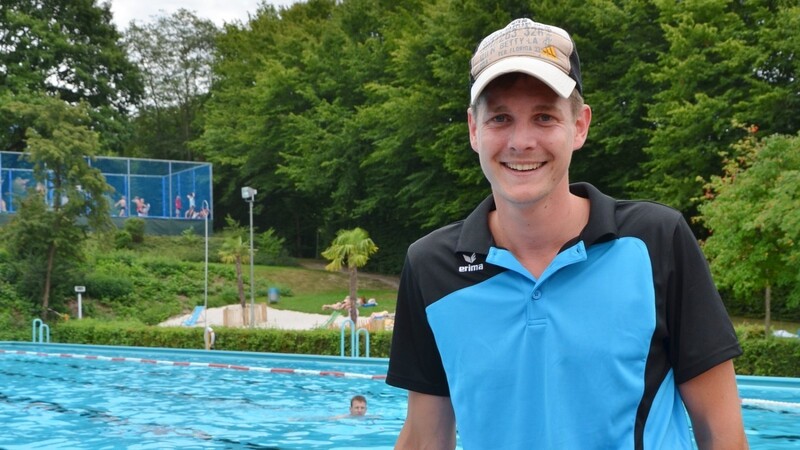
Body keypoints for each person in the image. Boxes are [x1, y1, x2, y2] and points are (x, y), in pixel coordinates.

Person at [386, 18, 747, 450]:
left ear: (579, 126)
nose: (521, 141)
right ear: (473, 130)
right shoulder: (431, 267)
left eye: (544, 117)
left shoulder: (656, 241)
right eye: (500, 117)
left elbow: (722, 436)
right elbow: (426, 439)